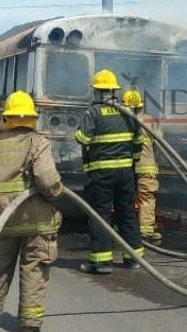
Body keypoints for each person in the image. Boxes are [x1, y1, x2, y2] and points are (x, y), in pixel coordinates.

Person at [0, 91, 65, 332]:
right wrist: (57, 194)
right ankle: (30, 324)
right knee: (35, 270)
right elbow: (46, 178)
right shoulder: (38, 143)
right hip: (38, 223)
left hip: (4, 221)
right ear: (33, 118)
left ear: (6, 118)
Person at [75, 69, 143, 274]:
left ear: (97, 92)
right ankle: (133, 259)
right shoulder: (128, 111)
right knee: (127, 214)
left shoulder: (93, 113)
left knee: (100, 215)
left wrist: (78, 131)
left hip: (101, 174)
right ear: (114, 90)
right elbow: (138, 142)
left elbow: (83, 139)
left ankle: (102, 262)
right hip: (125, 173)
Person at [123, 88, 164, 243]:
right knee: (146, 198)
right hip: (146, 167)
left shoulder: (121, 120)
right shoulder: (148, 121)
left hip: (124, 167)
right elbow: (160, 142)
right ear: (140, 105)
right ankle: (145, 231)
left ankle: (122, 228)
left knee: (123, 198)